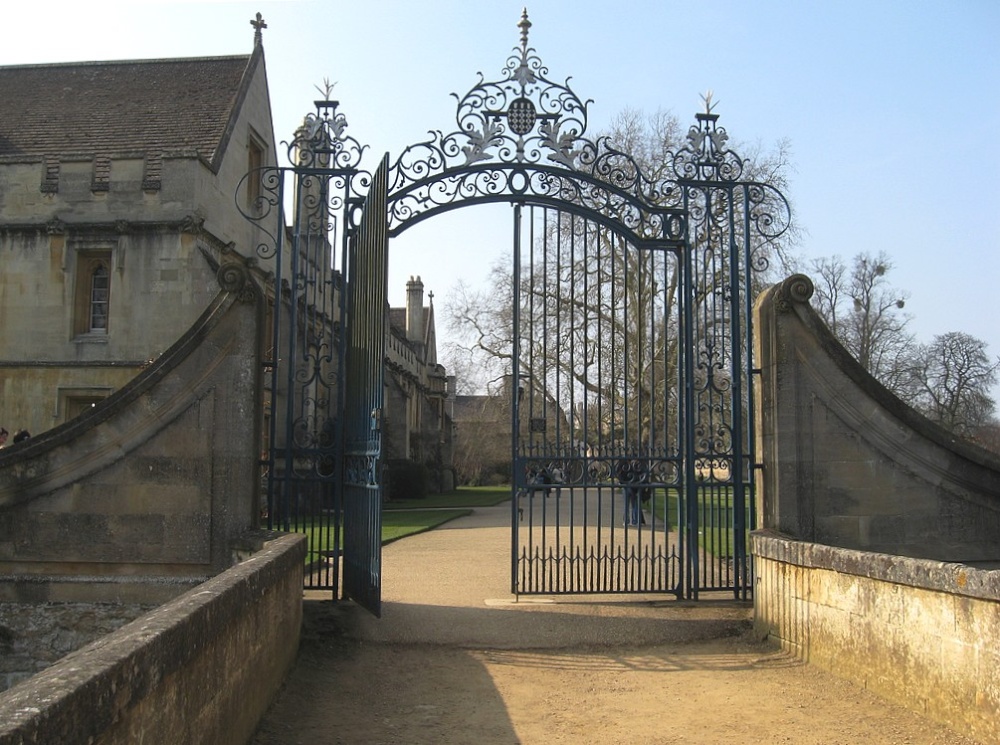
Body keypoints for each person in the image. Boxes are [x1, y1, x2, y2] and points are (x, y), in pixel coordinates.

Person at [616, 458, 645, 526]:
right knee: (634, 505)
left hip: (626, 486)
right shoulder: (637, 467)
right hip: (634, 487)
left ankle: (626, 521)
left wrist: (621, 483)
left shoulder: (625, 466)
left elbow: (620, 475)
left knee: (627, 505)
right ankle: (635, 521)